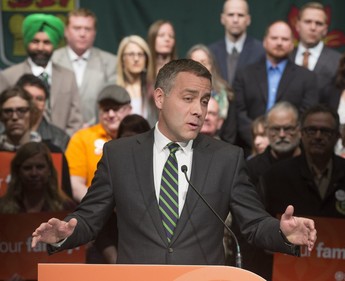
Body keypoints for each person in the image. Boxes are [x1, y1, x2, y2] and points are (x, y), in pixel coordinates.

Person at [31, 59, 316, 266]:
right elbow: (89, 219)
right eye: (188, 98)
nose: (198, 110)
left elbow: (253, 223)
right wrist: (63, 233)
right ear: (159, 97)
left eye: (204, 101)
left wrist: (283, 233)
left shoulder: (227, 158)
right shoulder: (118, 155)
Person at [259, 104, 345, 280]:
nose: (318, 136)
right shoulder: (275, 177)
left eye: (326, 131)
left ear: (337, 136)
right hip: (289, 273)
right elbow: (259, 226)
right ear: (301, 133)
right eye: (312, 130)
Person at [237, 102, 301, 279]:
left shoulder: (310, 167)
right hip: (261, 262)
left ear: (299, 129)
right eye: (275, 129)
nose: (281, 135)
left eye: (288, 129)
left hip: (308, 260)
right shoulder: (249, 168)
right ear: (266, 130)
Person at [234, 20, 317, 152]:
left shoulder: (307, 77)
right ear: (265, 41)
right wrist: (258, 138)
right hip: (250, 148)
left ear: (291, 45)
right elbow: (239, 113)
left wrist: (279, 139)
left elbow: (306, 116)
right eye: (274, 38)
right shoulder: (244, 74)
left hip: (291, 150)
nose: (279, 42)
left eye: (284, 39)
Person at [1, 13, 83, 135]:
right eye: (35, 41)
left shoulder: (68, 76)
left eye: (46, 42)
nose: (40, 47)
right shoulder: (9, 76)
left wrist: (61, 143)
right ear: (27, 42)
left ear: (54, 45)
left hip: (61, 147)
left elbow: (75, 120)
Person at [93, 114, 151, 264]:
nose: (133, 145)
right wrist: (116, 263)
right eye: (126, 139)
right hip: (112, 246)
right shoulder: (112, 168)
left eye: (138, 139)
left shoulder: (158, 171)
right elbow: (98, 216)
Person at [0, 86, 73, 198]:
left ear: (32, 113)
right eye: (8, 111)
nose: (14, 117)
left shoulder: (52, 153)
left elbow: (66, 201)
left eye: (21, 110)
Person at [65, 84, 132, 202]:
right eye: (106, 109)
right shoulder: (82, 138)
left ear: (129, 109)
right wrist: (101, 206)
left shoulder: (141, 136)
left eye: (116, 109)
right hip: (95, 213)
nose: (111, 114)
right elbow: (74, 184)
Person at [52, 8, 117, 126]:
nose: (82, 34)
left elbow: (112, 102)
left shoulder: (111, 63)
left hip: (98, 133)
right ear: (66, 31)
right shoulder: (53, 60)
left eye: (87, 29)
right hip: (59, 134)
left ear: (94, 33)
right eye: (77, 28)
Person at [0, 142, 75, 213]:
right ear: (17, 171)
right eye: (27, 168)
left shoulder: (66, 207)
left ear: (49, 170)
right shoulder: (2, 208)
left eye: (40, 167)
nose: (34, 173)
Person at [186, 44, 236, 143]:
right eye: (194, 63)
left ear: (211, 66)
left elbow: (230, 132)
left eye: (203, 62)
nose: (199, 67)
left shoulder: (226, 94)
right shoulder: (180, 93)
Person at [209, 0, 265, 85]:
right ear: (222, 19)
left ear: (248, 19)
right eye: (231, 15)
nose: (235, 20)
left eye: (240, 15)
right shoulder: (211, 52)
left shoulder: (261, 51)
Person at [290, 2, 341, 90]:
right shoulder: (286, 56)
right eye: (308, 22)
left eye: (318, 23)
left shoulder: (338, 61)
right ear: (298, 26)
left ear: (325, 30)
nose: (313, 27)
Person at [16, 74, 70, 152]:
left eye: (39, 99)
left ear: (45, 104)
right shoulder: (2, 133)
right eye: (28, 97)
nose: (33, 103)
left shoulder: (60, 138)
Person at [116, 35, 157, 125]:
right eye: (131, 54)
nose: (136, 59)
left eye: (140, 54)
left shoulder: (154, 89)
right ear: (122, 59)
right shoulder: (114, 88)